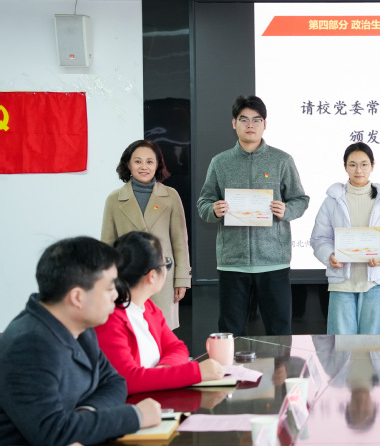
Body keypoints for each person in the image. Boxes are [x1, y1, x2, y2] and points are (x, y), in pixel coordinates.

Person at [0, 237, 161, 446]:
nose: (116, 295)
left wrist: (86, 414)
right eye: (109, 288)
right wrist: (136, 416)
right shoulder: (29, 346)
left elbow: (114, 383)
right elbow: (54, 432)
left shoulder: (79, 327)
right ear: (77, 297)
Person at [197, 95, 310, 336]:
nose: (250, 125)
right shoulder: (220, 162)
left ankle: (279, 365)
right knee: (231, 332)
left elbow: (300, 199)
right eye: (244, 119)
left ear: (265, 124)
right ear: (234, 123)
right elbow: (203, 203)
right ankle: (231, 365)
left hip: (274, 261)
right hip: (233, 263)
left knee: (279, 332)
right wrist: (214, 210)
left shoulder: (282, 160)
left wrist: (286, 210)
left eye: (256, 120)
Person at [95, 231, 225, 395]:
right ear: (152, 276)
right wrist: (196, 372)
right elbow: (127, 380)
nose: (167, 270)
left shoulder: (147, 306)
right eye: (166, 264)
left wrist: (164, 371)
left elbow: (177, 347)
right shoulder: (109, 318)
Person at [310, 142, 380, 335]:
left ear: (372, 166)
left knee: (372, 346)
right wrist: (329, 255)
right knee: (341, 345)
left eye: (364, 164)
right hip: (341, 283)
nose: (358, 170)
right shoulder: (332, 201)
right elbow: (320, 237)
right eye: (353, 164)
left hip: (375, 282)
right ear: (345, 167)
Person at [101, 139, 191, 330]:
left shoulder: (171, 196)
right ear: (128, 164)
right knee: (130, 330)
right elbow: (107, 244)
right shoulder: (114, 199)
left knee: (161, 331)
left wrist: (182, 279)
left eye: (150, 162)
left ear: (157, 165)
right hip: (127, 277)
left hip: (162, 277)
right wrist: (107, 281)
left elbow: (180, 242)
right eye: (138, 161)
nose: (144, 167)